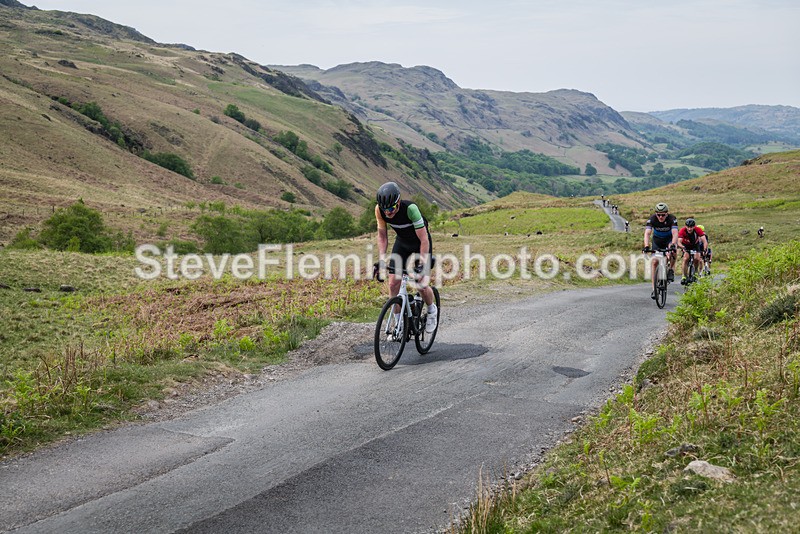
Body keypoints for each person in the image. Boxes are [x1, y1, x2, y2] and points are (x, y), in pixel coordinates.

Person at [375, 182, 437, 333]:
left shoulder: (411, 209)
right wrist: (382, 260)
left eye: (391, 208)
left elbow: (423, 239)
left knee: (420, 283)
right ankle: (398, 325)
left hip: (419, 244)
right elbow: (382, 236)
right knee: (392, 284)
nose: (388, 212)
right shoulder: (380, 210)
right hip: (402, 243)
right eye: (385, 209)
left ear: (398, 202)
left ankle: (431, 310)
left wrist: (422, 263)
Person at [643, 202, 679, 299]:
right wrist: (646, 246)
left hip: (669, 240)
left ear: (667, 213)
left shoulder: (672, 218)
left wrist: (672, 245)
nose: (660, 217)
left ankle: (671, 269)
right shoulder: (652, 219)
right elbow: (647, 233)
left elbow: (675, 233)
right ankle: (654, 290)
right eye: (658, 215)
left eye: (663, 215)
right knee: (654, 262)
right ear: (655, 213)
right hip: (657, 241)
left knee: (673, 251)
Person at [677, 218, 708, 284]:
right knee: (686, 258)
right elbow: (679, 241)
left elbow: (704, 241)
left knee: (697, 258)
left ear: (694, 226)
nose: (689, 229)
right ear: (685, 226)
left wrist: (705, 249)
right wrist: (682, 247)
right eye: (688, 227)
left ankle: (695, 272)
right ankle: (684, 276)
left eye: (691, 227)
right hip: (686, 245)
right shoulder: (682, 230)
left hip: (695, 245)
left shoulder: (698, 230)